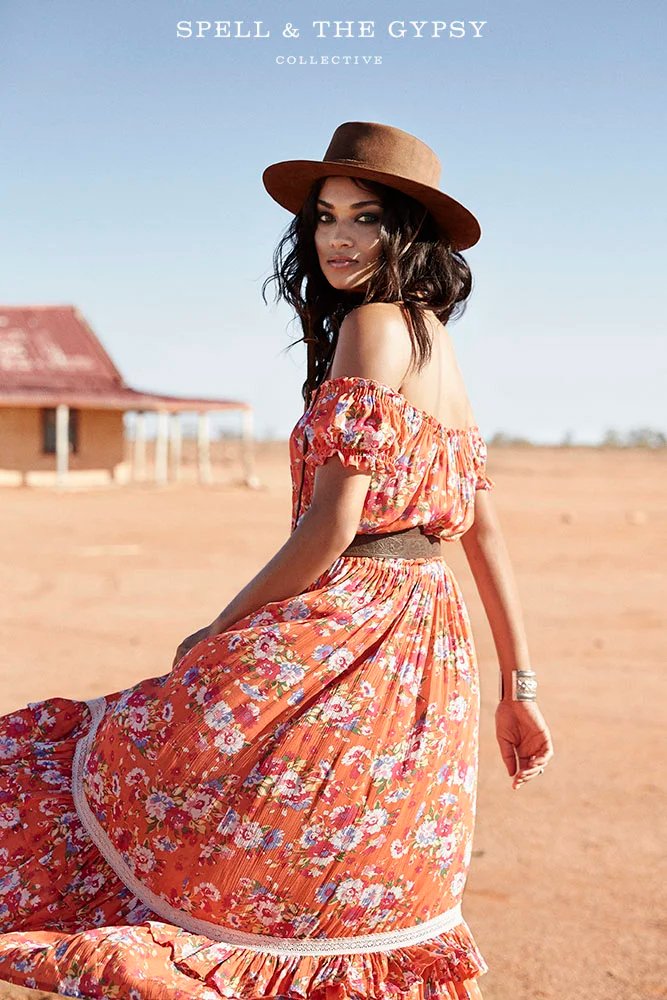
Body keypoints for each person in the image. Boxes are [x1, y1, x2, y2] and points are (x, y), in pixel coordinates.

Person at [0, 121, 554, 999]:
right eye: (325, 216)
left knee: (158, 775)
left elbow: (330, 527)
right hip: (430, 653)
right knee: (354, 876)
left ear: (405, 230)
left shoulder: (371, 325)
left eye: (364, 217)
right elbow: (481, 533)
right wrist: (517, 690)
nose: (337, 237)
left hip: (356, 629)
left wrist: (218, 628)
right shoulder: (438, 345)